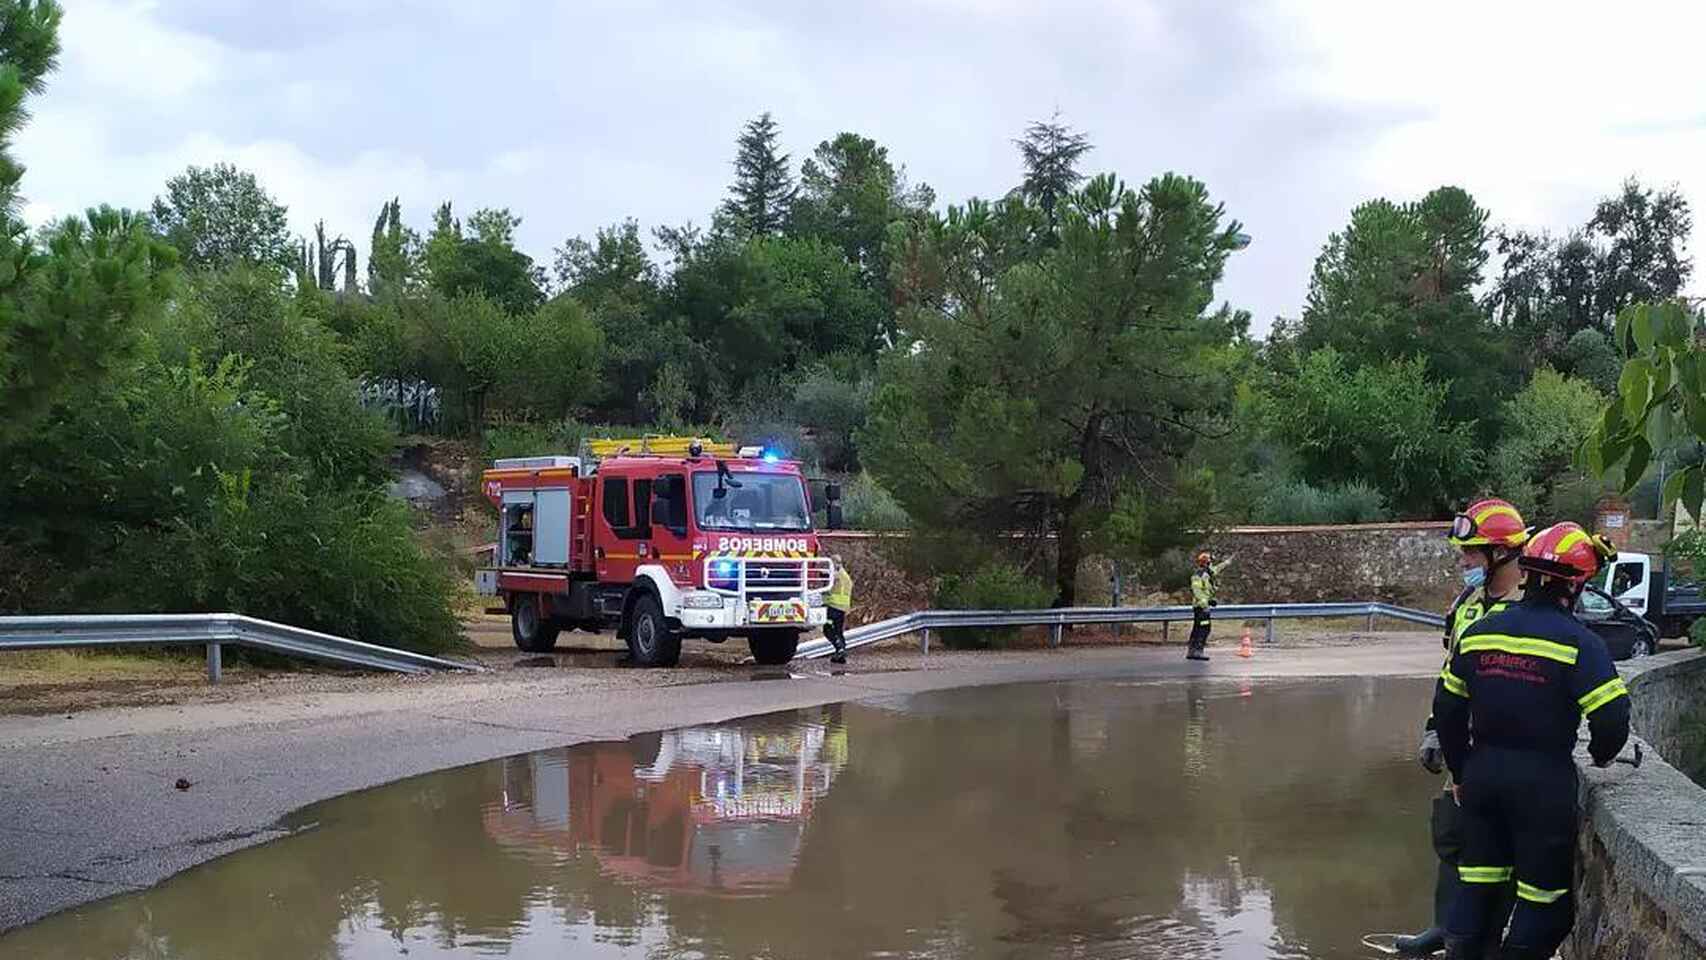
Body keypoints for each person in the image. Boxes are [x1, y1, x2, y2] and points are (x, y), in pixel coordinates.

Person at [1433, 522, 1631, 960]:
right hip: (1543, 784)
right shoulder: (1582, 644)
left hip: (1482, 777)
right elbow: (1613, 718)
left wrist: (1462, 771)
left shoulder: (1482, 631)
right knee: (1544, 901)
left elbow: (1447, 709)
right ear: (1576, 585)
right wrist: (1600, 755)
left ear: (1527, 572)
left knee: (1477, 885)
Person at [1394, 498, 1529, 957]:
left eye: (1473, 553)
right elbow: (1449, 672)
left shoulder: (1531, 608)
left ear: (1504, 553)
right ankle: (1444, 927)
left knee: (1500, 854)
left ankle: (1486, 939)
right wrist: (1437, 729)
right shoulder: (1467, 604)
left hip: (1507, 750)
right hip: (1463, 745)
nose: (1465, 561)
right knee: (1452, 837)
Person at [1186, 551, 1234, 661]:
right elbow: (1197, 591)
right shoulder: (1198, 575)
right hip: (1201, 607)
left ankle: (1192, 651)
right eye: (1210, 562)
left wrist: (1226, 563)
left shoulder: (1207, 573)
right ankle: (1197, 651)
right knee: (1204, 629)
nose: (1212, 564)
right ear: (1206, 563)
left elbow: (1217, 569)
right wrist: (1205, 604)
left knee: (1197, 629)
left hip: (1203, 606)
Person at [825, 555, 853, 665]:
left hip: (833, 606)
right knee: (838, 631)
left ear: (836, 563)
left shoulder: (837, 575)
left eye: (831, 564)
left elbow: (828, 578)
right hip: (842, 608)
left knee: (827, 629)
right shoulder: (846, 577)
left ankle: (840, 649)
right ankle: (840, 653)